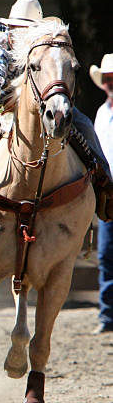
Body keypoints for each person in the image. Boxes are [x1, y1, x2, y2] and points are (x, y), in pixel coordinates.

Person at [0, 0, 113, 214]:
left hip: (42, 100)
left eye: (27, 28)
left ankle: (105, 184)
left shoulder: (43, 47)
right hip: (2, 98)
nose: (21, 32)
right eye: (18, 27)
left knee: (85, 126)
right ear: (9, 26)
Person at [91, 53, 113, 334]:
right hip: (109, 192)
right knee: (106, 255)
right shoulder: (101, 113)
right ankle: (107, 316)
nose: (110, 84)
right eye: (107, 79)